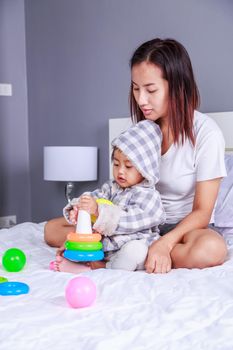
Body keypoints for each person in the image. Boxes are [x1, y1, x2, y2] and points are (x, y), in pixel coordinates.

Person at [45, 37, 228, 274]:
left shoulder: (206, 133)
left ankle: (125, 254)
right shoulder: (138, 131)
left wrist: (165, 243)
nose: (141, 100)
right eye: (135, 88)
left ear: (177, 86)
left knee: (212, 249)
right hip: (132, 222)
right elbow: (119, 187)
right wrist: (90, 214)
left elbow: (202, 212)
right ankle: (127, 251)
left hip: (182, 230)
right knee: (51, 228)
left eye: (151, 90)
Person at [50, 120, 165, 273]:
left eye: (128, 166)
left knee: (135, 252)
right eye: (116, 164)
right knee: (76, 242)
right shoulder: (111, 187)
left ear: (146, 169)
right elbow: (94, 197)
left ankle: (100, 267)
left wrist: (99, 211)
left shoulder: (150, 196)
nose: (120, 171)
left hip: (130, 246)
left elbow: (130, 219)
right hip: (106, 246)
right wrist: (79, 207)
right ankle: (79, 261)